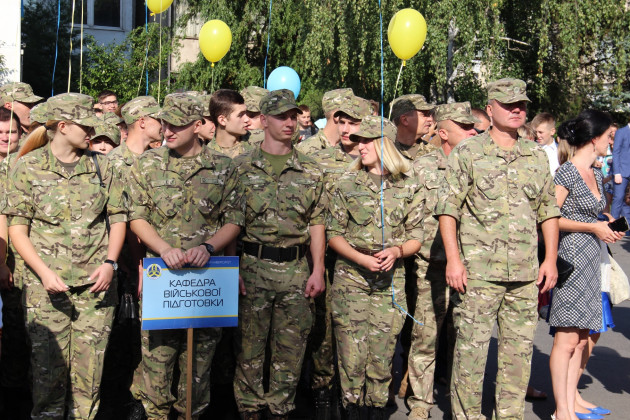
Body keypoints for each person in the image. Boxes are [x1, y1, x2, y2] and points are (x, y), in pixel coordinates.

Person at [436, 78, 560, 420]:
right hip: (478, 275)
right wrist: (454, 261)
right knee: (470, 356)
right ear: (490, 110)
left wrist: (550, 259)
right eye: (508, 105)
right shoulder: (468, 152)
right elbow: (448, 209)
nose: (517, 109)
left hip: (524, 274)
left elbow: (548, 211)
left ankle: (509, 415)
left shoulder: (536, 156)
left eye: (521, 104)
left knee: (517, 357)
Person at [3, 92, 127, 419]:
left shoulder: (103, 166)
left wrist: (110, 263)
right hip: (46, 289)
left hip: (95, 288)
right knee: (47, 375)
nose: (92, 132)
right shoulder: (28, 167)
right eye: (85, 126)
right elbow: (18, 229)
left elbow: (118, 218)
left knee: (90, 378)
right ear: (62, 126)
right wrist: (43, 272)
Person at [126, 93, 240, 420]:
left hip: (206, 281)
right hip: (163, 281)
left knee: (198, 369)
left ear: (198, 124)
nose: (168, 131)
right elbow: (137, 218)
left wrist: (208, 248)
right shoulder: (148, 164)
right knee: (157, 363)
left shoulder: (223, 167)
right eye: (165, 123)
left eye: (177, 124)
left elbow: (234, 219)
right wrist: (164, 249)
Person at [223, 89, 327, 420]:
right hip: (252, 267)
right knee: (248, 348)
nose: (289, 122)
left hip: (295, 269)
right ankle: (250, 410)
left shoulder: (311, 170)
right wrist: (231, 269)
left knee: (291, 349)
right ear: (264, 120)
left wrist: (318, 269)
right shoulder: (240, 167)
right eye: (281, 116)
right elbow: (231, 223)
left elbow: (317, 223)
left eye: (293, 116)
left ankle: (281, 409)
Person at [326, 115, 422, 418]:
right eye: (359, 140)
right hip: (351, 279)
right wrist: (361, 258)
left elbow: (417, 236)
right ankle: (351, 410)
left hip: (389, 283)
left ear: (385, 143)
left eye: (368, 140)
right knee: (351, 358)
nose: (361, 146)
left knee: (381, 356)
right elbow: (333, 234)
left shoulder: (408, 185)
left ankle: (377, 410)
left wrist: (397, 250)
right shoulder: (346, 183)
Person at [548, 110, 623, 420]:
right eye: (609, 137)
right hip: (572, 259)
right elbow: (550, 218)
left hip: (592, 258)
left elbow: (591, 212)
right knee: (566, 340)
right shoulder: (567, 173)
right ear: (594, 139)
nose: (611, 143)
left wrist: (606, 222)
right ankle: (562, 411)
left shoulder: (593, 170)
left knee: (580, 340)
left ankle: (571, 403)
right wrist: (592, 227)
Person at [406, 102, 479, 420]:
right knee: (426, 336)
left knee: (465, 338)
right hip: (432, 265)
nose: (474, 131)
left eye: (473, 126)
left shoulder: (480, 164)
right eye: (466, 127)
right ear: (445, 133)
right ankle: (420, 402)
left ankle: (460, 400)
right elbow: (408, 213)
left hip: (472, 265)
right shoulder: (422, 167)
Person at [307, 95, 372, 418]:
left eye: (354, 123)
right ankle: (323, 388)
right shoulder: (315, 155)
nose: (346, 129)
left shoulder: (373, 157)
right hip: (323, 256)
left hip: (359, 259)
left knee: (357, 329)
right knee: (323, 324)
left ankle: (358, 395)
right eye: (342, 121)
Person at [0, 107, 31, 418]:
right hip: (4, 259)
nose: (5, 138)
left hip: (20, 263)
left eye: (11, 132)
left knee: (20, 330)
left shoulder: (28, 164)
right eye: (0, 133)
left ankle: (19, 396)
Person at [297, 88, 354, 155]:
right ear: (337, 116)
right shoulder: (303, 152)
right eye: (351, 113)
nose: (356, 117)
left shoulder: (355, 148)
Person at [391, 94, 437, 161]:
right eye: (424, 114)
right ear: (405, 120)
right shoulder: (384, 151)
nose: (430, 119)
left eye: (429, 114)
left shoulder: (433, 152)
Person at [208, 89, 253, 158]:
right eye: (240, 115)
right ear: (222, 120)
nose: (247, 119)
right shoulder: (207, 156)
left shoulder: (259, 141)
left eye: (246, 113)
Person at [611, 115, 630, 229]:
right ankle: (613, 226)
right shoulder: (621, 132)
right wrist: (617, 173)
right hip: (622, 171)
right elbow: (616, 152)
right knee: (618, 198)